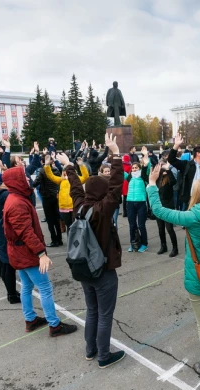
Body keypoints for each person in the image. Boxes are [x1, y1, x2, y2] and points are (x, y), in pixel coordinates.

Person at [147, 159, 200, 382]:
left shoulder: (191, 216)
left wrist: (151, 184)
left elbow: (158, 210)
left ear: (196, 193)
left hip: (199, 276)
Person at [68, 133, 126, 368]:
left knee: (92, 310)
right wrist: (116, 156)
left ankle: (90, 350)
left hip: (84, 267)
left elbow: (75, 189)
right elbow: (115, 186)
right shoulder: (102, 210)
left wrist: (69, 167)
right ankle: (103, 356)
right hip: (102, 269)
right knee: (104, 314)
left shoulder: (79, 207)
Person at [2, 166, 77, 337]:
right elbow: (26, 232)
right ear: (17, 181)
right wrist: (41, 253)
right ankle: (54, 325)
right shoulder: (17, 203)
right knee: (44, 287)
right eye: (24, 177)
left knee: (27, 286)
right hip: (25, 252)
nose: (28, 180)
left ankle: (31, 319)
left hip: (19, 251)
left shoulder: (15, 198)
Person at [0, 170, 21, 304]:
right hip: (4, 229)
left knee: (5, 261)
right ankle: (12, 294)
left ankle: (11, 292)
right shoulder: (1, 194)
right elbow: (20, 194)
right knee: (8, 264)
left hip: (0, 228)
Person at [43, 154, 89, 231]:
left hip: (74, 207)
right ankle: (70, 241)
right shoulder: (61, 180)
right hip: (64, 208)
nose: (66, 173)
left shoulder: (76, 179)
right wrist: (47, 165)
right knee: (69, 227)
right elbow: (50, 176)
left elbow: (85, 177)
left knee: (76, 226)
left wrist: (81, 166)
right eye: (64, 171)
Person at [32, 156, 63, 247]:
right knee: (56, 219)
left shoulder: (42, 171)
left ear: (43, 162)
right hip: (55, 196)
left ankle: (54, 240)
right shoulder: (56, 170)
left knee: (50, 220)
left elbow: (35, 183)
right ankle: (59, 239)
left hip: (46, 197)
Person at [125, 147, 151, 252]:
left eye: (136, 168)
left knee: (141, 225)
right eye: (133, 168)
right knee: (132, 225)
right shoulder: (129, 177)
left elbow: (147, 166)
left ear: (139, 169)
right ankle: (133, 243)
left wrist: (145, 155)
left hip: (141, 203)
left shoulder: (143, 176)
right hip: (130, 202)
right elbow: (118, 171)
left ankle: (144, 244)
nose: (134, 169)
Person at [154, 159, 178, 257]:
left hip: (168, 207)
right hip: (159, 206)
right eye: (161, 167)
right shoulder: (157, 180)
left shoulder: (169, 179)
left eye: (164, 167)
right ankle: (163, 246)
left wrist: (168, 170)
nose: (163, 170)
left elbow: (174, 181)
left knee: (169, 228)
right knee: (160, 228)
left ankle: (175, 248)